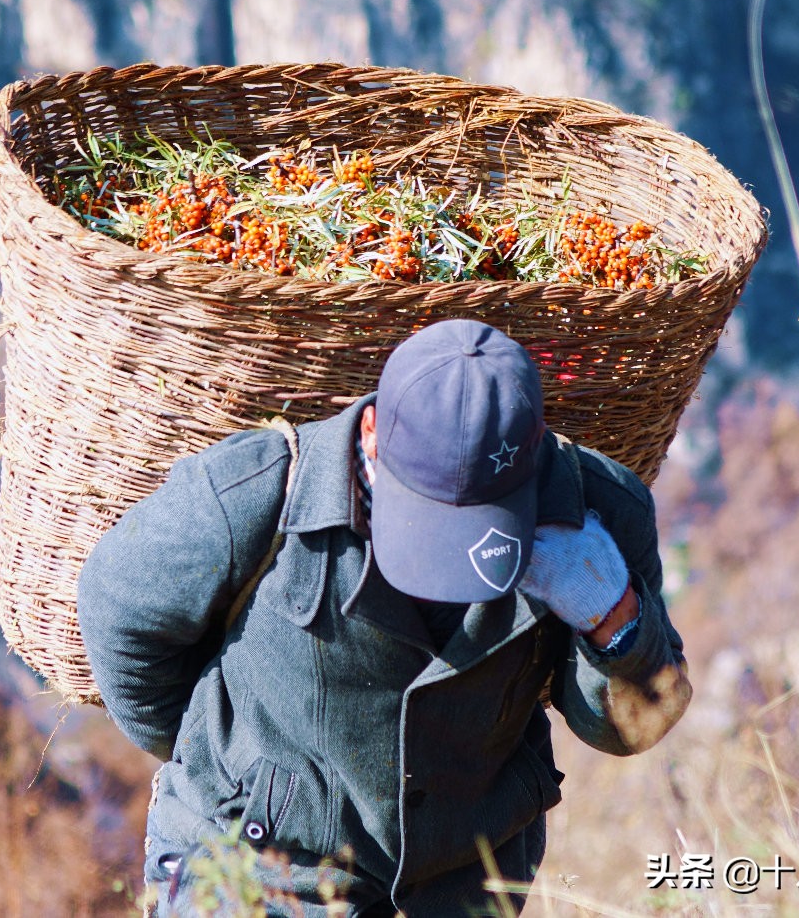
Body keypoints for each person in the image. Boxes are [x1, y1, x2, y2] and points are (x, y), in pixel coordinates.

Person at [77, 318, 692, 916]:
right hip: (257, 869)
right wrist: (226, 763)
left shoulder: (603, 510)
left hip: (463, 884)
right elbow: (119, 611)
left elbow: (632, 727)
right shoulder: (256, 492)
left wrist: (611, 616)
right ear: (371, 433)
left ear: (532, 452)